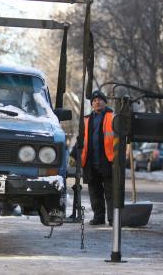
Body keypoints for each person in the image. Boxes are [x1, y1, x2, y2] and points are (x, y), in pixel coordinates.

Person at [70, 90, 114, 226]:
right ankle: (99, 217)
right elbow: (80, 139)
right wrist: (73, 155)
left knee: (111, 192)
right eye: (94, 101)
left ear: (105, 102)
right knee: (95, 193)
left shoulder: (112, 117)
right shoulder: (86, 119)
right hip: (90, 162)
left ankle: (113, 218)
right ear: (92, 104)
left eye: (100, 100)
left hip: (108, 160)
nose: (97, 102)